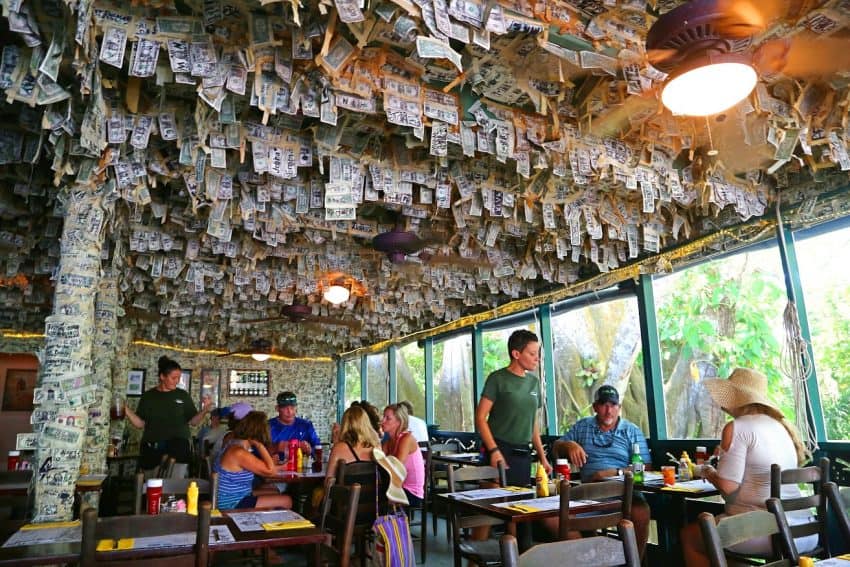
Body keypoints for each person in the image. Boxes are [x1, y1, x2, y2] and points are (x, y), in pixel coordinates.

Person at [680, 368, 818, 565]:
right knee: (718, 538)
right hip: (806, 531)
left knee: (690, 537)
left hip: (768, 532)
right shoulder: (782, 427)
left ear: (735, 398)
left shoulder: (737, 427)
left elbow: (728, 486)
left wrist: (707, 471)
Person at [553, 384, 652, 558]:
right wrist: (568, 444)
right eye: (604, 404)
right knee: (550, 517)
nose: (609, 411)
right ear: (595, 407)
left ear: (619, 408)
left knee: (642, 511)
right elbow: (555, 449)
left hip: (624, 494)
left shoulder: (631, 431)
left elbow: (645, 467)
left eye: (613, 405)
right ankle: (591, 557)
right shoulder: (583, 426)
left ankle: (633, 561)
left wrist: (614, 473)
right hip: (587, 495)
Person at [475, 329, 551, 487]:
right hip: (499, 448)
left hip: (523, 453)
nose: (537, 358)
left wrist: (543, 458)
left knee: (520, 503)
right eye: (532, 354)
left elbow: (533, 425)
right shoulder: (497, 379)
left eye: (538, 353)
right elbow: (480, 418)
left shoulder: (534, 383)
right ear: (516, 354)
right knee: (496, 503)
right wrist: (494, 451)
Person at [125, 356, 211, 478]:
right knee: (153, 485)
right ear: (162, 377)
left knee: (174, 487)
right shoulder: (148, 396)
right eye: (174, 378)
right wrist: (126, 410)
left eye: (179, 378)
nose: (177, 381)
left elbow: (193, 422)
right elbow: (140, 424)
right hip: (152, 449)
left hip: (178, 448)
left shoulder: (182, 395)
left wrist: (205, 410)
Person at [214, 410, 292, 510]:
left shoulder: (233, 444)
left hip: (235, 496)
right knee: (287, 501)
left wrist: (282, 467)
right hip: (231, 503)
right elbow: (270, 471)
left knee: (274, 490)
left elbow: (264, 468)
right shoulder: (239, 453)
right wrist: (259, 445)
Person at [381, 403, 425, 506]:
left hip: (412, 492)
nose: (382, 421)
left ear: (399, 422)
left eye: (388, 418)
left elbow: (397, 469)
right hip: (398, 487)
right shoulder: (388, 441)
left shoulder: (406, 439)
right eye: (383, 417)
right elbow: (379, 462)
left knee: (374, 498)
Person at [326, 404, 382, 483]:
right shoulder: (376, 447)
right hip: (373, 495)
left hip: (346, 495)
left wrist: (335, 442)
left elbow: (328, 481)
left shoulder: (339, 448)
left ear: (345, 424)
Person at [269, 391, 321, 457]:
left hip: (302, 466)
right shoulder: (267, 426)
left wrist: (310, 450)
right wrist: (276, 447)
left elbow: (318, 448)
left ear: (296, 408)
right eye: (285, 408)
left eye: (292, 407)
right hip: (275, 466)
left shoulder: (306, 425)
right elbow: (256, 451)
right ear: (277, 408)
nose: (289, 412)